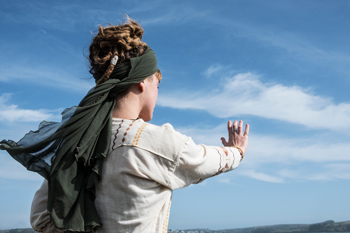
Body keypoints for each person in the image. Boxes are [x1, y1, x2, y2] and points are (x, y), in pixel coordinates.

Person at [1, 17, 249, 233]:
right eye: (157, 85)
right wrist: (236, 151)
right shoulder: (154, 141)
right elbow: (205, 160)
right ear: (142, 83)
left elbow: (41, 218)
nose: (158, 93)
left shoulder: (76, 142)